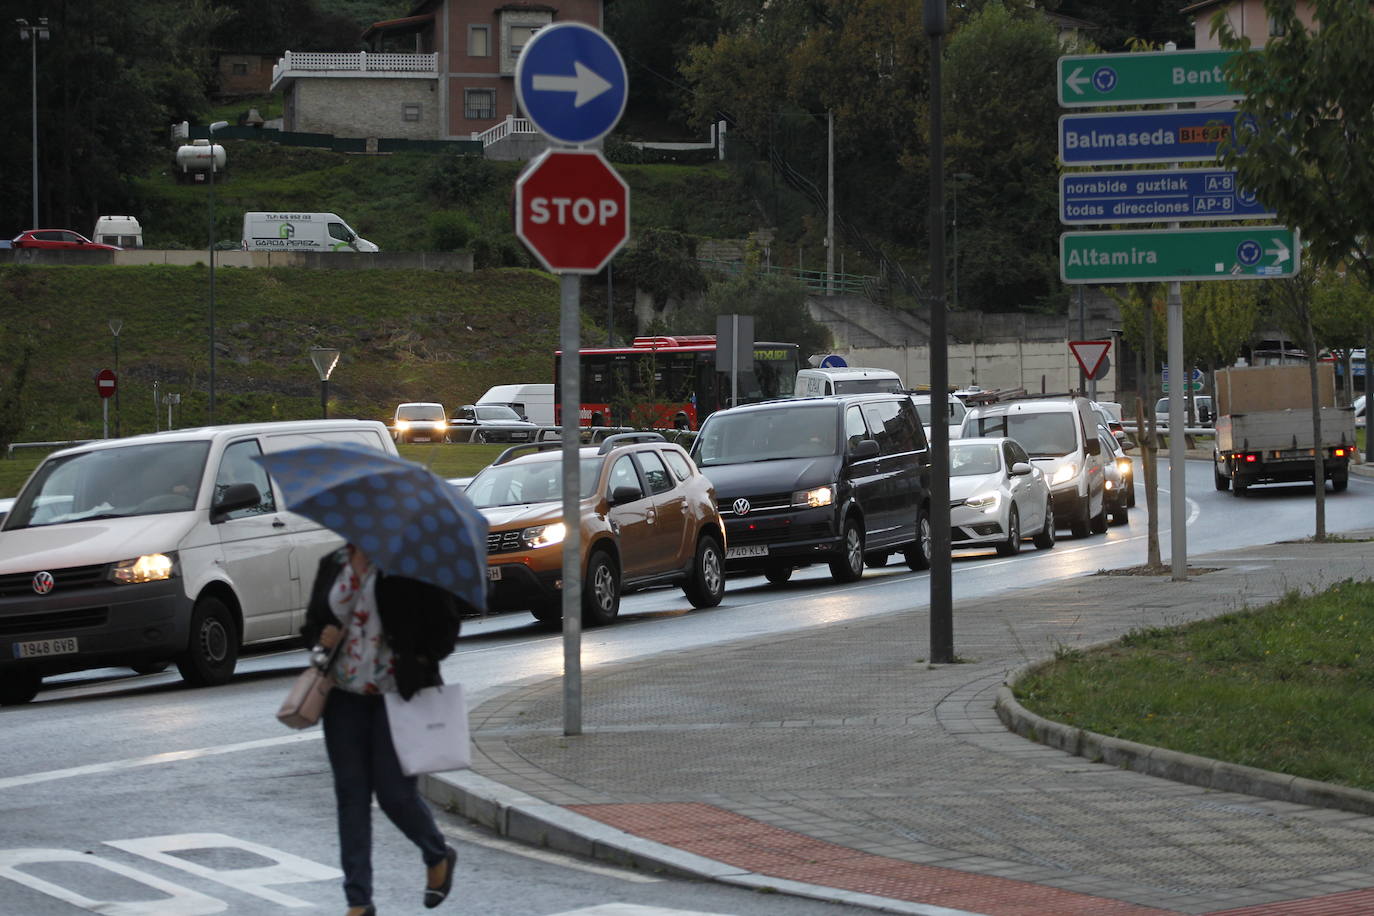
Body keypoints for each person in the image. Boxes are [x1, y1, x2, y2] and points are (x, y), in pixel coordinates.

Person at [303, 543, 465, 916]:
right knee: (351, 799)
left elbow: (446, 628)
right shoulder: (333, 563)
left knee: (395, 795)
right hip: (343, 698)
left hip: (397, 697)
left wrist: (418, 658)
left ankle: (437, 852)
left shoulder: (411, 565)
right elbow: (312, 622)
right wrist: (319, 636)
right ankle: (358, 900)